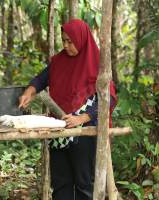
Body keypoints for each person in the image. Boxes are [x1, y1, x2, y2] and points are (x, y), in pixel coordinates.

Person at [18, 19, 117, 200]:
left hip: (87, 132)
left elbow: (107, 100)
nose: (65, 45)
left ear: (81, 39)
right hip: (60, 127)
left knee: (85, 184)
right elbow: (41, 79)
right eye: (63, 40)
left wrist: (81, 118)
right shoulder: (59, 60)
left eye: (70, 41)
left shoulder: (97, 62)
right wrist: (29, 92)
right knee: (61, 183)